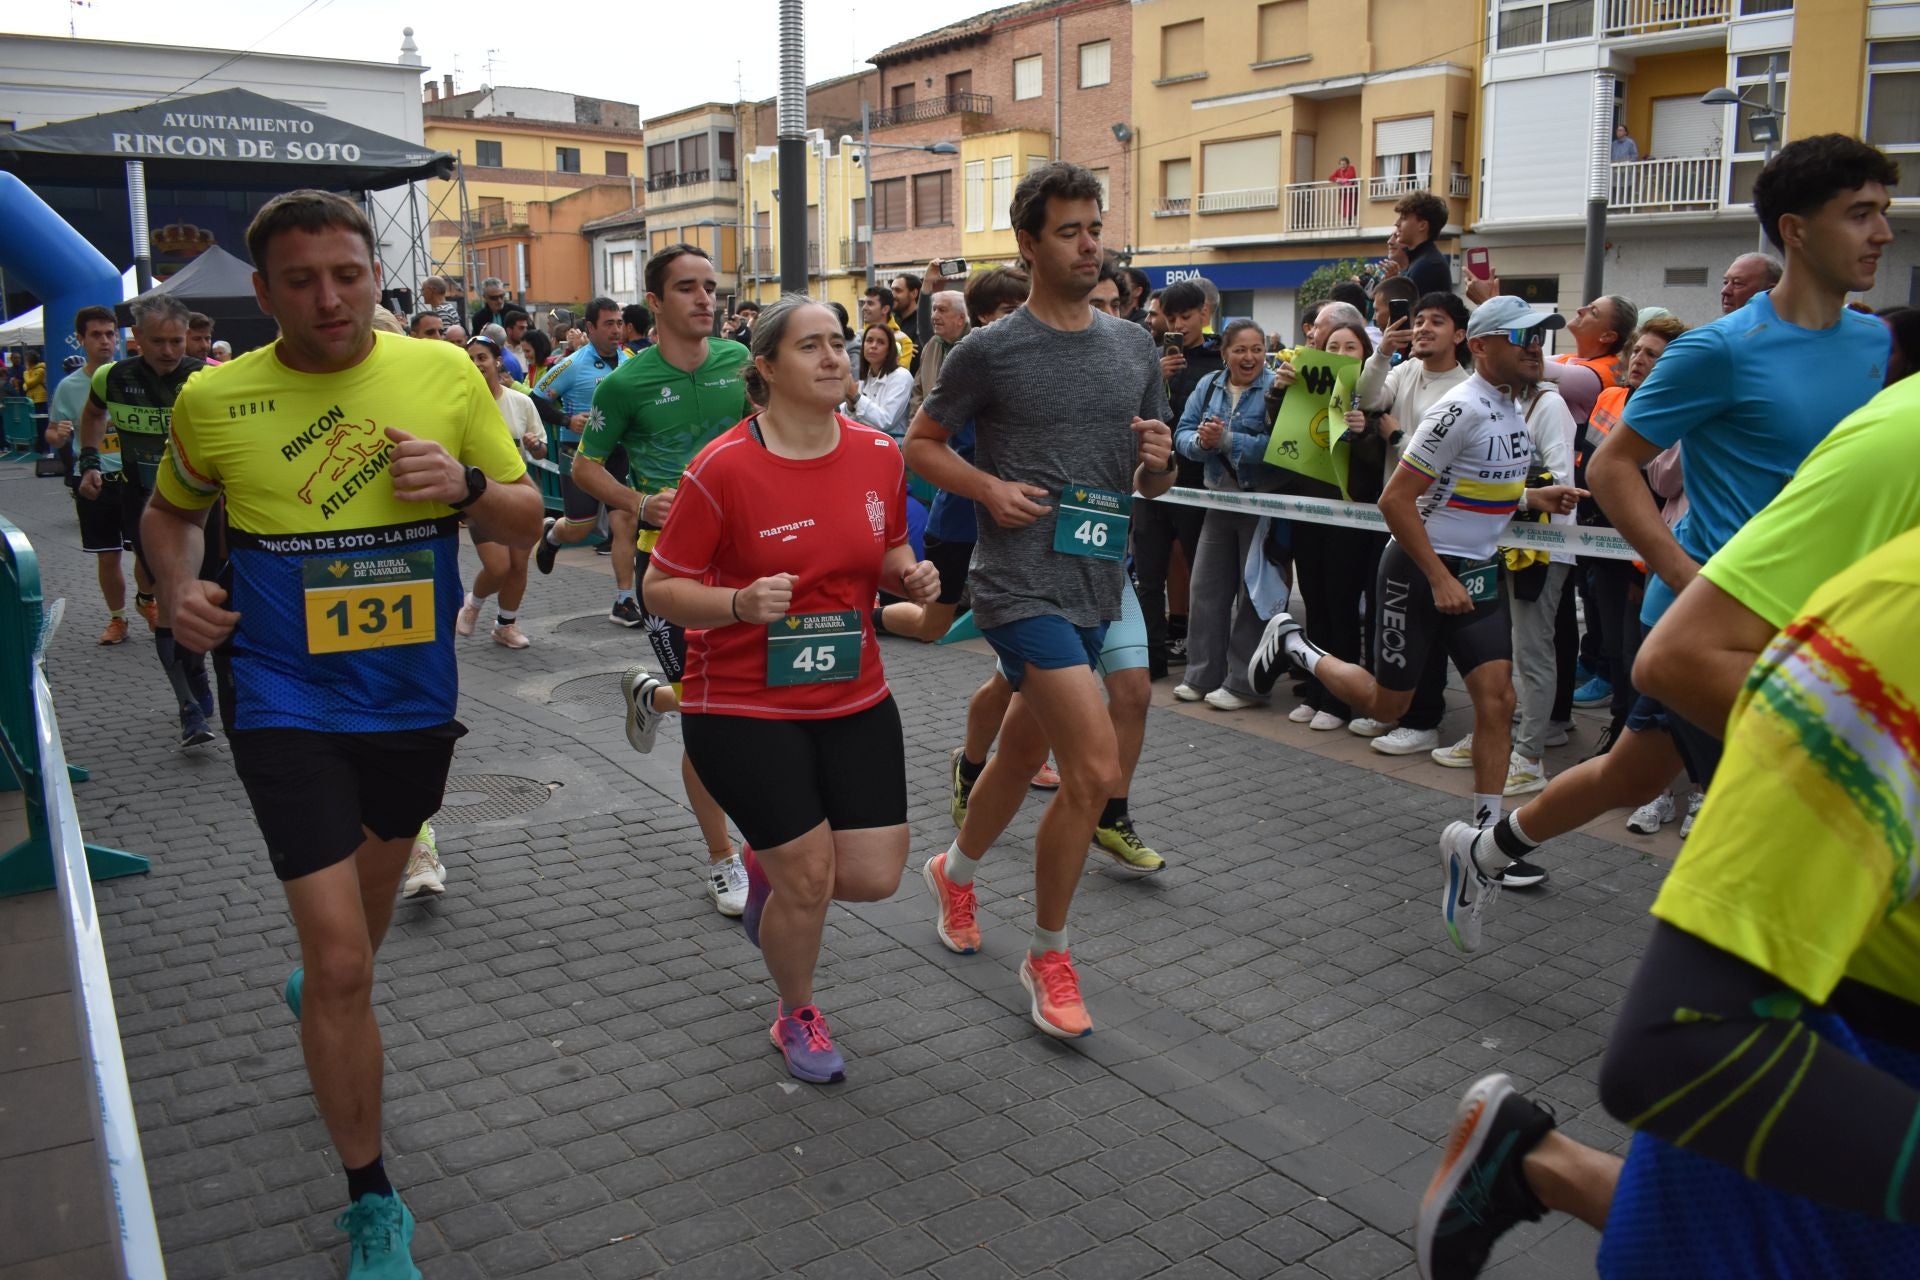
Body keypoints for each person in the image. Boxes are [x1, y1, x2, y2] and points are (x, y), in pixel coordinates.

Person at [142, 188, 542, 1279]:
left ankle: (326, 987)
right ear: (262, 291)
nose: (330, 296)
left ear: (378, 274)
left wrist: (462, 486)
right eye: (302, 278)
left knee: (350, 949)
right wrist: (176, 587)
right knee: (340, 960)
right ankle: (371, 1195)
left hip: (411, 696)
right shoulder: (215, 398)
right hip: (281, 695)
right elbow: (169, 511)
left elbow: (524, 517)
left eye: (349, 272)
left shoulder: (446, 374)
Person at [1416, 527, 1920, 1280]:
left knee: (1630, 778)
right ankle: (1484, 849)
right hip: (1751, 647)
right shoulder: (1899, 453)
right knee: (1629, 778)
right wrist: (1709, 596)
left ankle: (1529, 1157)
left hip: (1799, 674)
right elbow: (1678, 1044)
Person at [1436, 134, 1895, 953]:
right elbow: (1614, 468)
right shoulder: (1719, 350)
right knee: (1780, 814)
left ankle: (1483, 849)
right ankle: (1721, 1006)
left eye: (1883, 213)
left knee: (1631, 773)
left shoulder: (1874, 345)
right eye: (1860, 214)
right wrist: (1688, 577)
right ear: (1794, 228)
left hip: (1819, 622)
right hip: (1712, 630)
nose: (1882, 234)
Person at [906, 161, 1176, 1039]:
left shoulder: (1134, 345)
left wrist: (1161, 460)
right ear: (1029, 245)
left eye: (1095, 225)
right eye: (1069, 229)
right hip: (1019, 581)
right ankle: (1049, 953)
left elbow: (1154, 480)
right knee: (1094, 770)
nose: (1089, 242)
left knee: (1022, 757)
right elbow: (921, 444)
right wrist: (986, 489)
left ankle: (953, 870)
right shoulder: (991, 349)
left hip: (1099, 574)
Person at [643, 295, 938, 1084]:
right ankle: (796, 1010)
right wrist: (737, 604)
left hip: (852, 689)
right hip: (740, 699)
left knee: (872, 875)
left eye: (839, 343)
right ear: (765, 369)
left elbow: (886, 550)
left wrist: (908, 572)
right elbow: (661, 589)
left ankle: (767, 870)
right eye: (812, 346)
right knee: (812, 877)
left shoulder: (879, 452)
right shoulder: (723, 467)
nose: (835, 357)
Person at [1250, 297, 1585, 855]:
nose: (1536, 348)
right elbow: (1396, 501)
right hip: (1416, 568)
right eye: (1522, 336)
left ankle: (1486, 839)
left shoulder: (1511, 406)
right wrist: (1436, 577)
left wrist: (1529, 496)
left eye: (1540, 337)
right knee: (1388, 706)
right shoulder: (1459, 410)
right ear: (1481, 346)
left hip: (1474, 570)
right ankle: (1292, 643)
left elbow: (1473, 485)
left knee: (1497, 702)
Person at [570, 244, 755, 920]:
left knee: (753, 697)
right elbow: (585, 468)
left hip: (747, 561)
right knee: (711, 722)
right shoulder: (623, 385)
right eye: (687, 287)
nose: (706, 298)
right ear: (655, 302)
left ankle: (653, 698)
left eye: (712, 285)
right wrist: (640, 504)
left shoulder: (743, 363)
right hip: (672, 567)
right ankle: (721, 857)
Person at [77, 294, 215, 747]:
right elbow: (93, 414)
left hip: (203, 507)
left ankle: (197, 669)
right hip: (145, 504)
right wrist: (90, 460)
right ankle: (188, 707)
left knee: (206, 594)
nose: (169, 350)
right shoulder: (111, 377)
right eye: (158, 341)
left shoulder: (206, 376)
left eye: (176, 341)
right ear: (135, 338)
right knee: (169, 599)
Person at [1352, 291, 1473, 751]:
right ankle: (1392, 709)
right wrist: (1382, 351)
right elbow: (1366, 397)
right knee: (1393, 623)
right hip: (1397, 521)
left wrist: (1397, 437)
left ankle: (1423, 720)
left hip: (1439, 527)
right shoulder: (1404, 370)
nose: (1422, 328)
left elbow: (1445, 466)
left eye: (1436, 322)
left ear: (1459, 335)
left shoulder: (1465, 390)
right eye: (1419, 320)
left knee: (1428, 627)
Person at [1172, 319, 1276, 709]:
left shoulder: (1276, 388)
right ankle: (1201, 675)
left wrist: (1229, 440)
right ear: (1225, 353)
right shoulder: (1208, 386)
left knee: (1254, 595)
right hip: (1217, 500)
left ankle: (1244, 685)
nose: (1249, 358)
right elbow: (1181, 433)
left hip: (1262, 503)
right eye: (1240, 350)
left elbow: (1282, 448)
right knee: (1206, 591)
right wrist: (1202, 442)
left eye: (1257, 349)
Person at [528, 297, 641, 623]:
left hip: (618, 453)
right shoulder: (571, 364)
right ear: (589, 328)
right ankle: (552, 535)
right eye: (608, 324)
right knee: (581, 527)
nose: (616, 330)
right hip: (578, 453)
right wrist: (567, 420)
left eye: (619, 323)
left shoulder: (630, 359)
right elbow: (536, 399)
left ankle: (624, 600)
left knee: (625, 523)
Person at [1135, 276, 1218, 679]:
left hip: (1199, 484)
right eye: (1172, 317)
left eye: (1187, 316)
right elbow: (1135, 410)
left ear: (1204, 313)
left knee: (1203, 577)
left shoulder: (1220, 359)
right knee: (1148, 577)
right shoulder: (1148, 357)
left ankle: (1204, 664)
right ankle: (1152, 659)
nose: (1179, 325)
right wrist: (1158, 375)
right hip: (1150, 481)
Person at [45, 305, 130, 644]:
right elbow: (51, 434)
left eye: (111, 334)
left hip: (133, 478)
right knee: (108, 555)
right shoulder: (69, 387)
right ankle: (118, 619)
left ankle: (148, 603)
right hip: (94, 481)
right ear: (80, 340)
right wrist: (59, 435)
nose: (106, 341)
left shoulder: (130, 378)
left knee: (148, 552)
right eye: (96, 335)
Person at [456, 335, 545, 650]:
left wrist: (536, 445)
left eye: (482, 357)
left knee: (518, 566)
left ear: (497, 361)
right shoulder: (460, 404)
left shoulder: (520, 402)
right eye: (470, 359)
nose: (477, 364)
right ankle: (474, 603)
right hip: (481, 498)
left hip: (517, 496)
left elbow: (541, 444)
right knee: (498, 567)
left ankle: (505, 625)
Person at [850, 323, 913, 440]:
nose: (873, 346)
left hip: (892, 446)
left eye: (881, 342)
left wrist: (856, 398)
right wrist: (850, 406)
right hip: (865, 442)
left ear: (890, 349)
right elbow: (851, 421)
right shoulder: (865, 378)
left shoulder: (901, 376)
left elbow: (886, 421)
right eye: (869, 340)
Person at [911, 289, 968, 418]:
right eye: (934, 309)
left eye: (942, 310)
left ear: (961, 318)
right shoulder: (931, 345)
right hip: (929, 431)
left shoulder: (977, 344)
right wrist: (917, 425)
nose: (934, 316)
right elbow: (918, 391)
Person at [1394, 191, 1453, 299]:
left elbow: (1412, 312)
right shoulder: (1420, 261)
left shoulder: (1428, 265)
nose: (1396, 223)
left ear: (1422, 225)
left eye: (1404, 218)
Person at [1331, 156, 1358, 223]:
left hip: (1352, 191)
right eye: (1341, 164)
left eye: (1344, 164)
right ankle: (1347, 221)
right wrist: (1337, 179)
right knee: (1345, 206)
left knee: (1351, 206)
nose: (1342, 165)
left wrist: (1342, 180)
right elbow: (1331, 177)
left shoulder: (1351, 168)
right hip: (1344, 191)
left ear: (1348, 164)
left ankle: (1350, 221)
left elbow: (1352, 176)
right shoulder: (1338, 171)